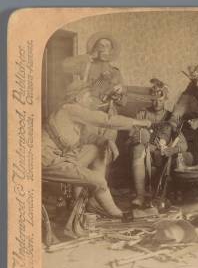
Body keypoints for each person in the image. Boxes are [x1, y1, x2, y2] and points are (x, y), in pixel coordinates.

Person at [42, 80, 151, 217]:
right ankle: (116, 213)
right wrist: (138, 122)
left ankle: (89, 199)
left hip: (61, 156)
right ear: (77, 98)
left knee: (98, 149)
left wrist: (107, 141)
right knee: (98, 180)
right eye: (88, 97)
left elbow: (85, 137)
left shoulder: (72, 114)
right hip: (47, 160)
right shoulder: (71, 109)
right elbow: (106, 120)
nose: (90, 101)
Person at [129, 79, 190, 206]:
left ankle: (164, 195)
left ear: (166, 99)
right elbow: (132, 136)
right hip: (145, 152)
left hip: (162, 154)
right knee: (137, 149)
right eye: (153, 100)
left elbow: (183, 145)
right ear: (150, 99)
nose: (157, 103)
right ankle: (140, 196)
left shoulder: (171, 117)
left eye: (160, 100)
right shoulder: (142, 114)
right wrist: (146, 143)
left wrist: (171, 149)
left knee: (180, 157)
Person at [62, 32, 126, 142]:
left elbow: (124, 102)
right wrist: (88, 56)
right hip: (88, 115)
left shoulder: (115, 73)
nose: (104, 48)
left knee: (107, 150)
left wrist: (119, 95)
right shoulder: (86, 65)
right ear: (95, 48)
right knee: (88, 148)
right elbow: (64, 66)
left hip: (109, 117)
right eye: (100, 45)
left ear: (111, 51)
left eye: (107, 46)